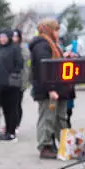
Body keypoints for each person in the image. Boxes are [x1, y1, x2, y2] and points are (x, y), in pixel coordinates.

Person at [29, 18, 73, 159]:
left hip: (58, 88)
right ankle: (45, 146)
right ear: (49, 29)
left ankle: (63, 145)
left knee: (60, 118)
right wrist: (50, 89)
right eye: (56, 29)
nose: (58, 33)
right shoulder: (42, 45)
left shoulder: (53, 45)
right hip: (48, 89)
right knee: (47, 117)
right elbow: (45, 69)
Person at [0, 29, 24, 142]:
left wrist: (12, 74)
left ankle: (12, 132)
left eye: (5, 37)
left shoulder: (15, 48)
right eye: (1, 37)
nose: (3, 39)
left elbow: (19, 63)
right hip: (0, 83)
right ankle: (7, 130)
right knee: (4, 108)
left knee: (12, 108)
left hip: (11, 83)